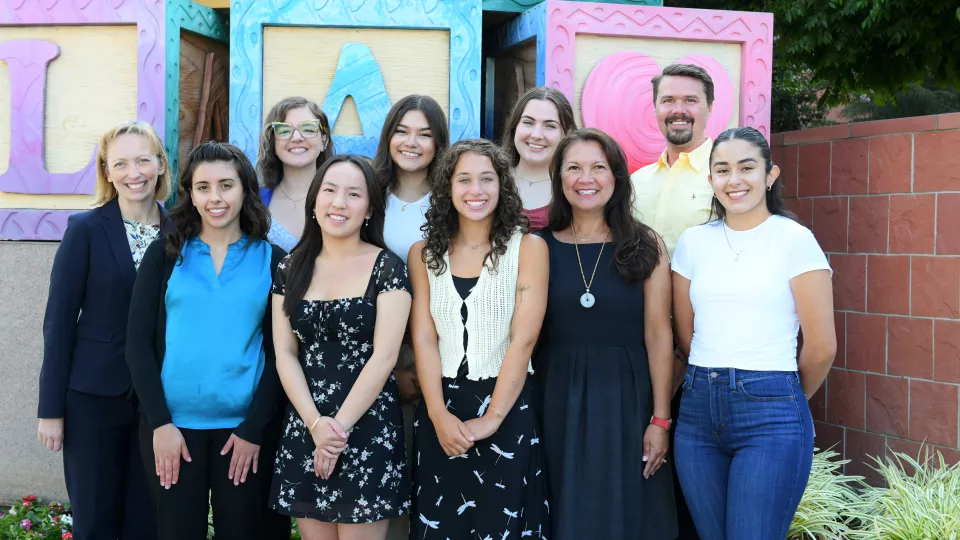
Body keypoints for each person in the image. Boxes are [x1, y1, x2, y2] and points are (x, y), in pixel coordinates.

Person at [672, 127, 836, 540]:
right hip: (696, 412)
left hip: (772, 413)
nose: (735, 180)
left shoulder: (795, 240)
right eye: (722, 170)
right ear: (710, 180)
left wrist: (784, 397)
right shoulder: (693, 243)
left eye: (747, 168)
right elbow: (686, 335)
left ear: (770, 175)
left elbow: (821, 346)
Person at [126, 142, 287, 540]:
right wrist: (159, 424)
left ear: (245, 189)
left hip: (244, 433)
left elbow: (280, 353)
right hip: (173, 431)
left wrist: (254, 429)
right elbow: (137, 346)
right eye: (203, 187)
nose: (215, 198)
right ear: (191, 194)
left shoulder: (273, 258)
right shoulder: (164, 254)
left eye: (226, 185)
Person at [534, 128, 678, 539]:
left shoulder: (646, 244)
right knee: (563, 510)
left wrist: (661, 420)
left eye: (599, 167)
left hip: (628, 398)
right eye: (574, 167)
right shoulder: (537, 246)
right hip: (555, 395)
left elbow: (658, 334)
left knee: (627, 512)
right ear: (559, 178)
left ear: (616, 177)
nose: (587, 178)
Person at [407, 139, 550, 539]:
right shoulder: (424, 254)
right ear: (447, 188)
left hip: (508, 404)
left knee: (501, 525)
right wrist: (437, 414)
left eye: (487, 179)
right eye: (464, 179)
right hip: (442, 407)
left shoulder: (529, 248)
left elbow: (523, 340)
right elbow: (423, 338)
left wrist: (492, 419)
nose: (476, 190)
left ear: (503, 187)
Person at [37, 120, 169, 540]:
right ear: (107, 172)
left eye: (144, 160)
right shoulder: (86, 230)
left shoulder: (182, 232)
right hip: (92, 397)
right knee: (95, 520)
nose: (135, 172)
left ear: (161, 166)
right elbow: (58, 323)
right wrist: (50, 410)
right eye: (122, 163)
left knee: (146, 520)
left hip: (159, 401)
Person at [268, 154, 412, 539]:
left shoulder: (388, 267)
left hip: (366, 429)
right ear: (314, 201)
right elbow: (284, 352)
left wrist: (336, 432)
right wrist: (316, 425)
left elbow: (385, 356)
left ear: (369, 209)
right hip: (306, 424)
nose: (339, 202)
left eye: (354, 194)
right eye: (329, 190)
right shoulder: (290, 267)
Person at [630, 63, 717, 538]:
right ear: (657, 107)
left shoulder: (724, 177)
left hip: (701, 357)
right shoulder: (637, 182)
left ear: (707, 108)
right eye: (668, 100)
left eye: (689, 101)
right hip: (640, 350)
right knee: (645, 475)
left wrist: (684, 350)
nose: (678, 110)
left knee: (693, 490)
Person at [257, 96, 335, 251]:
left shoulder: (343, 199)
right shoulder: (254, 201)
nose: (297, 138)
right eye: (284, 130)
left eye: (308, 129)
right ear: (273, 142)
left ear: (324, 141)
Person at [500, 87, 576, 232]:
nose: (536, 135)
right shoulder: (491, 182)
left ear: (567, 133)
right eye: (528, 122)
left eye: (549, 126)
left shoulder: (575, 187)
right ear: (515, 126)